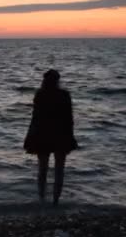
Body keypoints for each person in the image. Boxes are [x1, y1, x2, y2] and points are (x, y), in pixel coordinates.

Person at [23, 69, 78, 206]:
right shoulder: (64, 95)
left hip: (43, 135)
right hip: (61, 135)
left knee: (42, 169)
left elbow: (35, 118)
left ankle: (42, 199)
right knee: (59, 169)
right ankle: (55, 202)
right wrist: (71, 137)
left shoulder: (40, 95)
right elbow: (69, 119)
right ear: (57, 80)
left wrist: (30, 136)